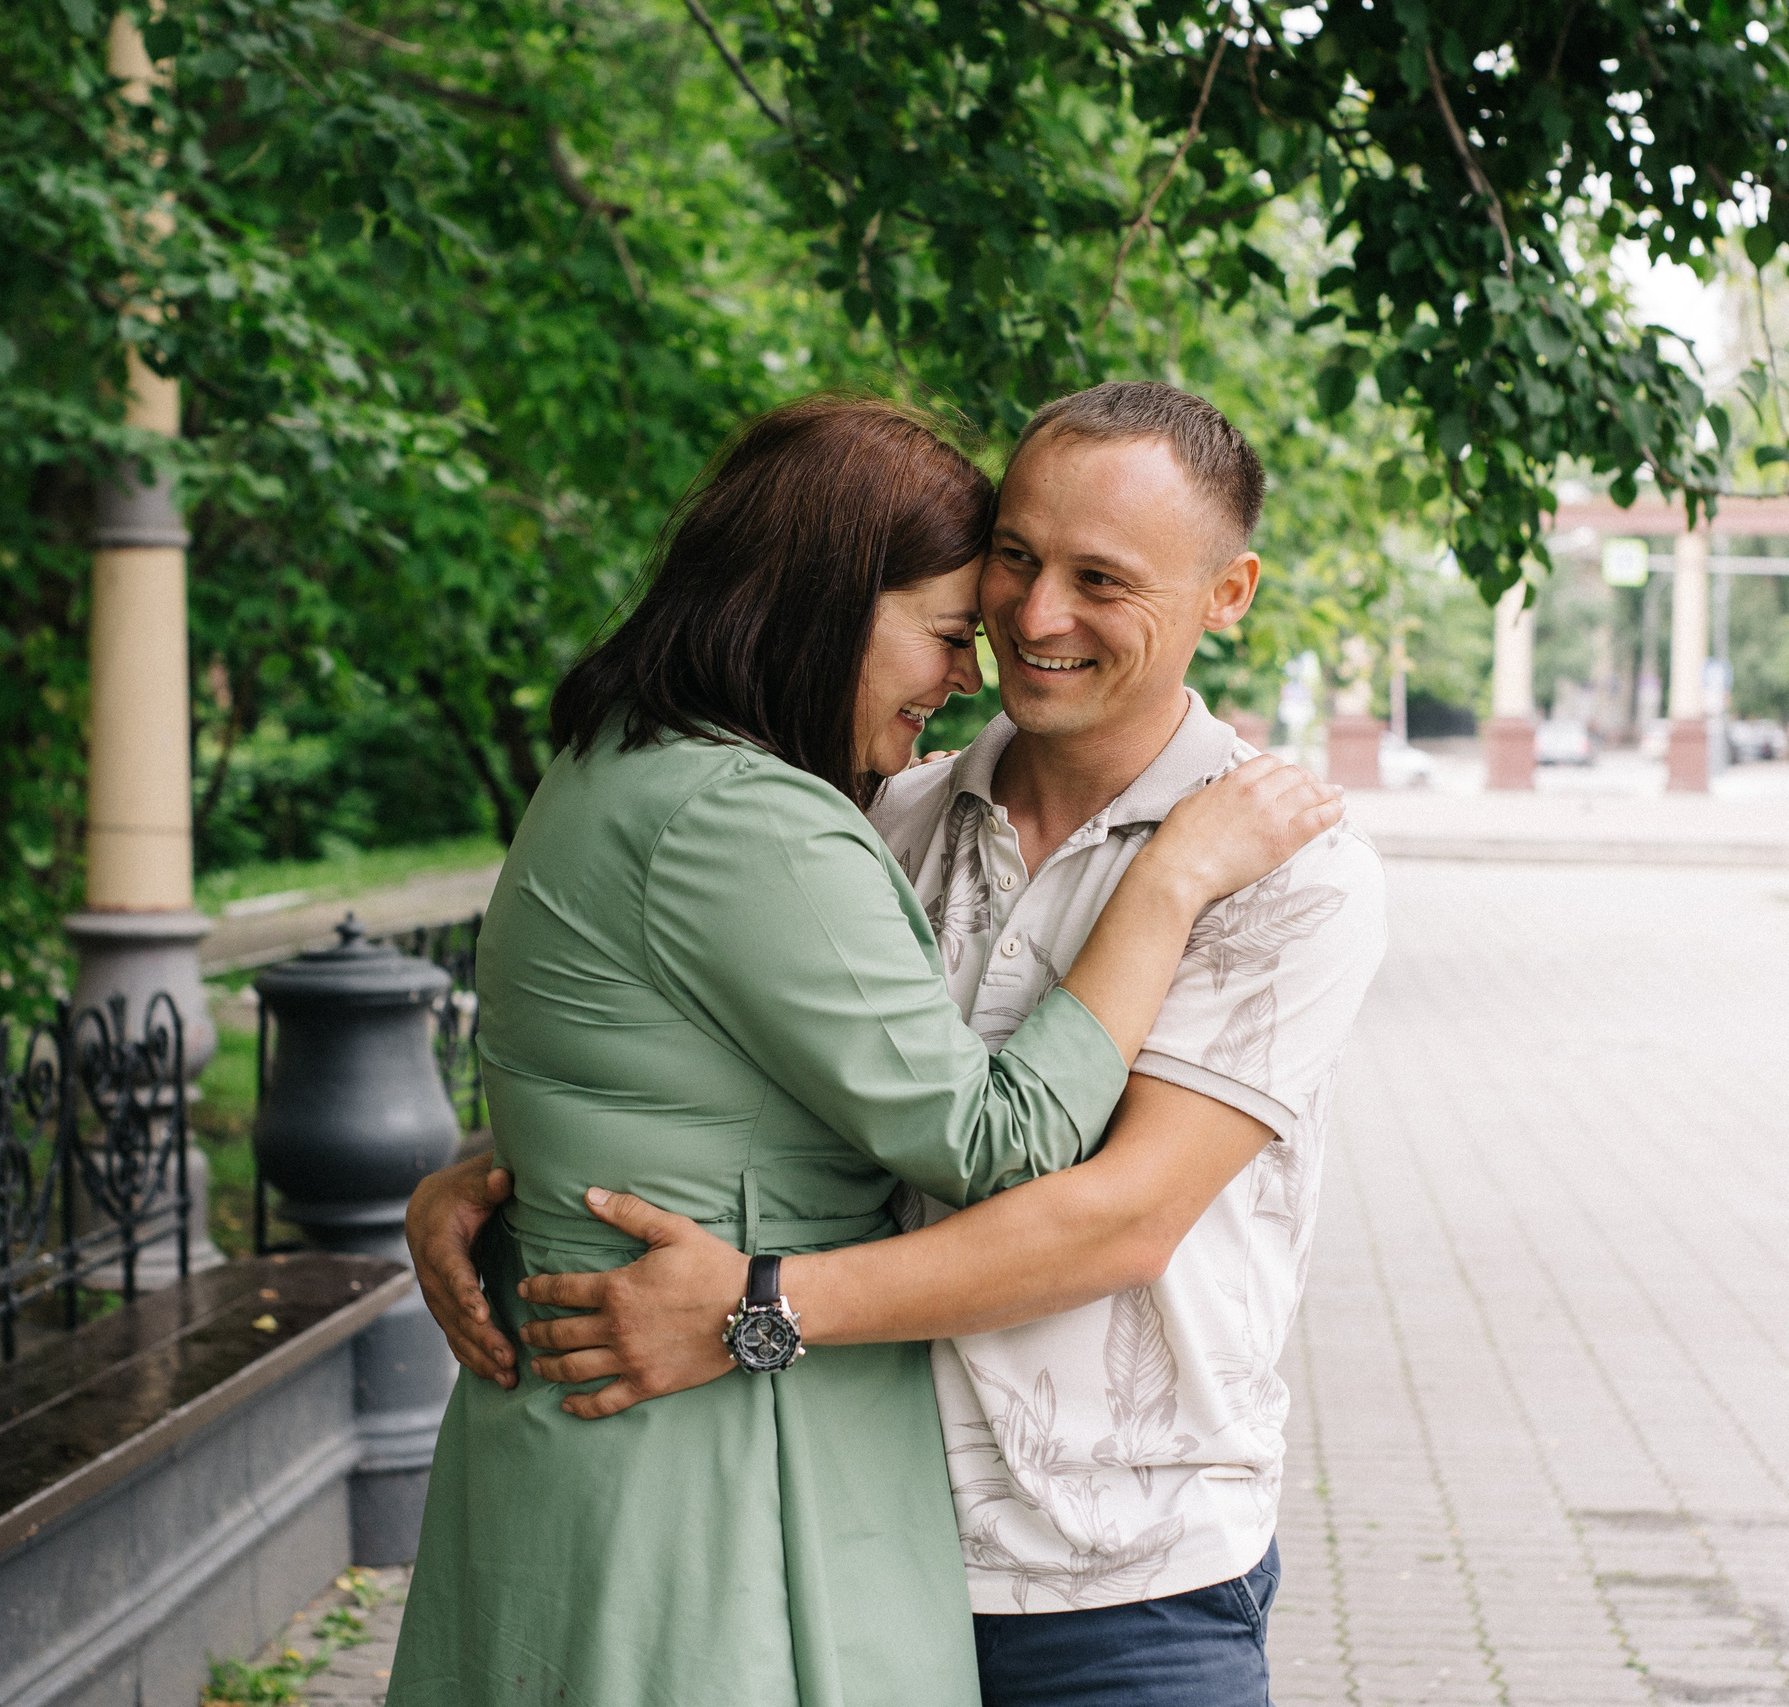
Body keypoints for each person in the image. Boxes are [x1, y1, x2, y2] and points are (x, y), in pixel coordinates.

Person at [410, 381, 1387, 1706]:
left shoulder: (1282, 866)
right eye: (1016, 560)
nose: (1033, 621)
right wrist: (506, 1178)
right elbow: (704, 1063)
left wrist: (756, 1311)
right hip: (833, 1536)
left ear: (1228, 594)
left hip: (1119, 1585)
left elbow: (1117, 1222)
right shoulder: (875, 815)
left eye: (1103, 579)